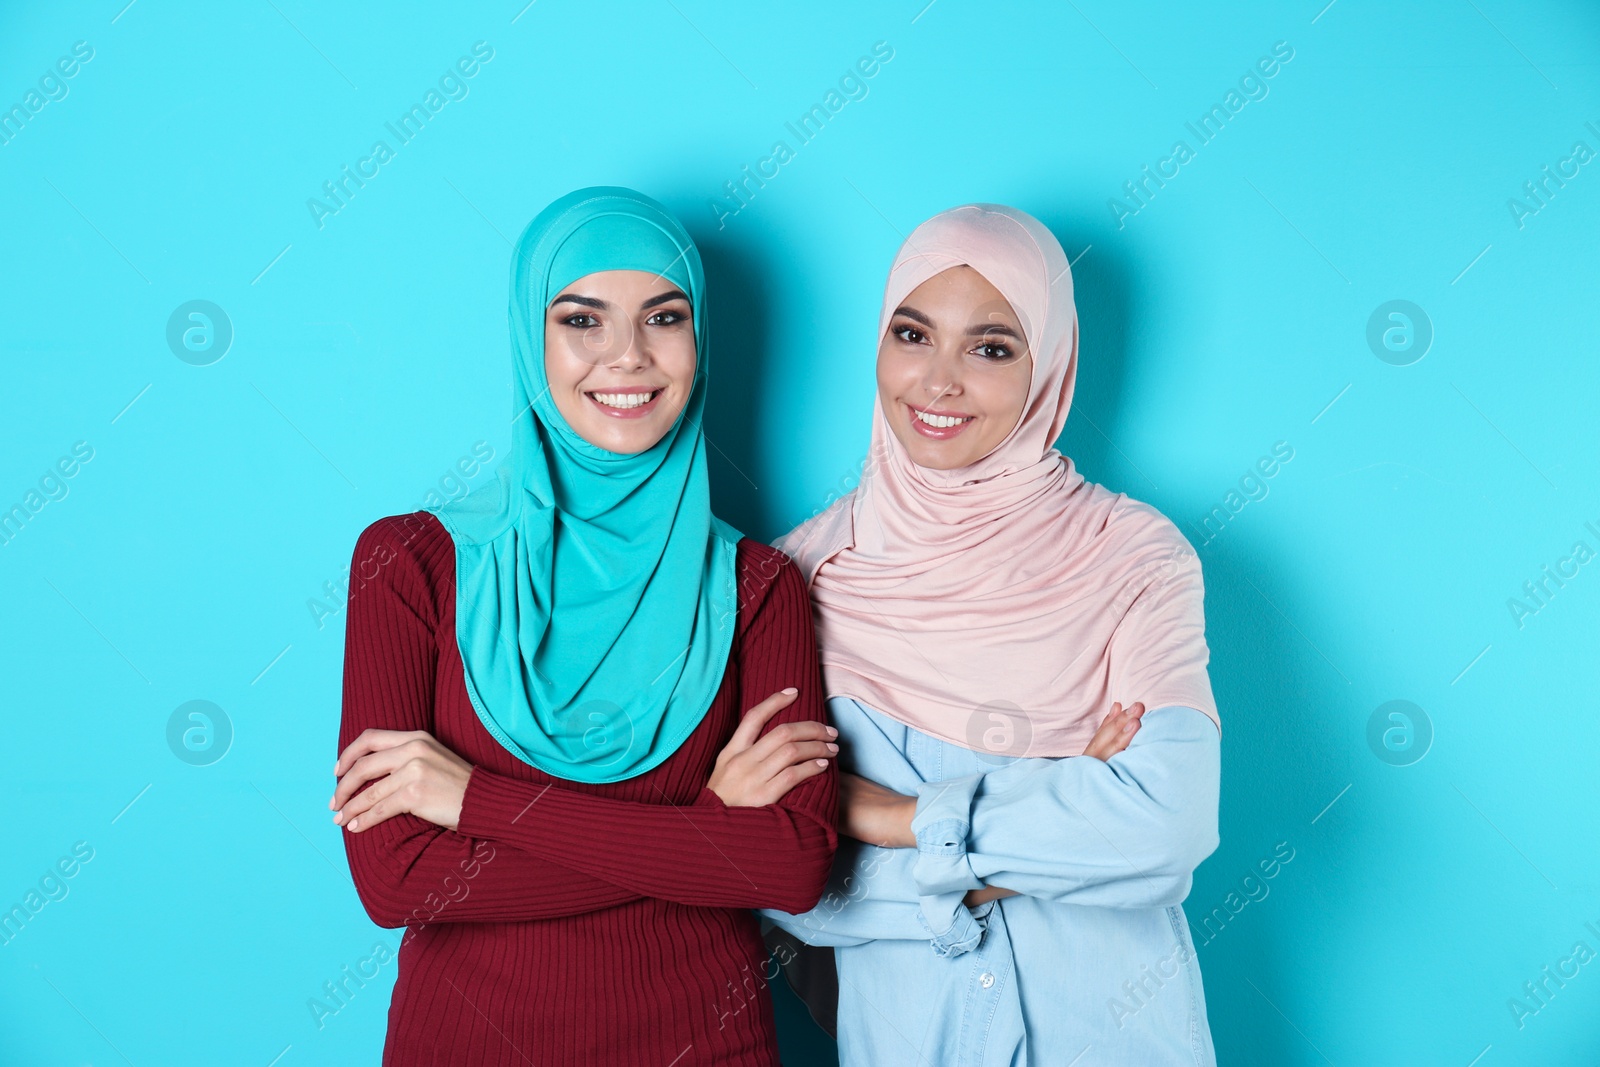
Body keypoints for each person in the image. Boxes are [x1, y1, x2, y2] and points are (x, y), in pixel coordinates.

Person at [330, 186, 838, 1066]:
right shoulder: (408, 564)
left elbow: (790, 868)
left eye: (664, 317)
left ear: (699, 336)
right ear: (533, 338)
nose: (628, 357)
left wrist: (474, 802)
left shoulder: (759, 587)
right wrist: (706, 832)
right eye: (583, 320)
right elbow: (396, 878)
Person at [762, 203, 1223, 1065]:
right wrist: (1058, 834)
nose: (938, 381)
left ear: (1047, 365)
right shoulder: (797, 577)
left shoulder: (1132, 554)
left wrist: (899, 821)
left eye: (990, 347)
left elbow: (1168, 827)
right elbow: (788, 888)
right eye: (912, 334)